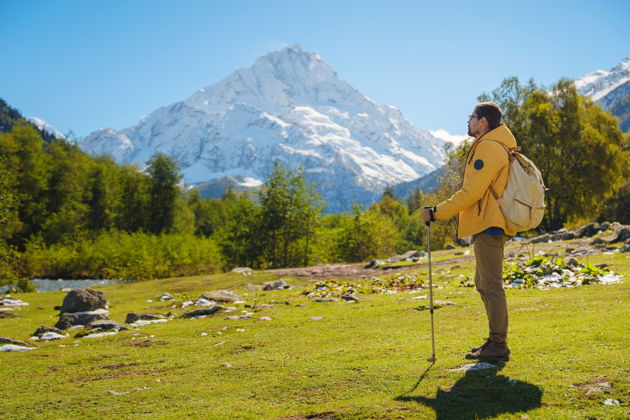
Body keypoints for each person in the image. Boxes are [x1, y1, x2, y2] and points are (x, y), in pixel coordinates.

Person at [422, 102, 516, 362]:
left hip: (490, 224)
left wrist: (436, 212)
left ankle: (498, 345)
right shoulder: (497, 144)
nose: (468, 122)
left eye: (472, 118)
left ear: (483, 121)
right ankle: (495, 342)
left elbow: (471, 192)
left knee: (491, 285)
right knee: (484, 284)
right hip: (490, 223)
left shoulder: (488, 147)